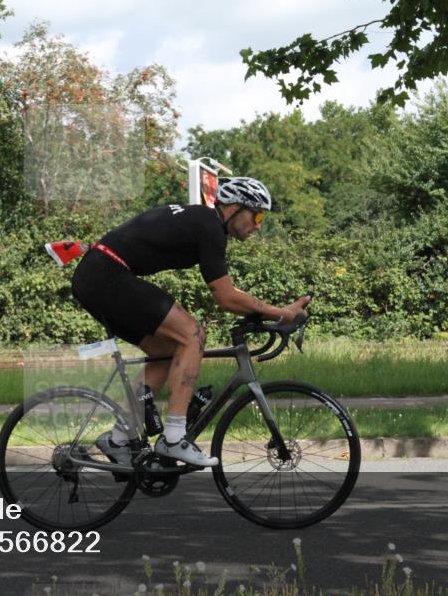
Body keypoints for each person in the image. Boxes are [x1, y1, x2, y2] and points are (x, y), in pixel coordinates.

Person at [70, 177, 311, 467]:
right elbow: (226, 297)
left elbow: (229, 292)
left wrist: (268, 311)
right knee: (193, 334)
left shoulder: (205, 223)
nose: (258, 225)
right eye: (257, 215)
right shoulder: (210, 226)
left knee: (167, 352)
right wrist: (282, 313)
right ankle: (174, 438)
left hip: (99, 276)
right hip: (106, 275)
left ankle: (119, 438)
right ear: (235, 208)